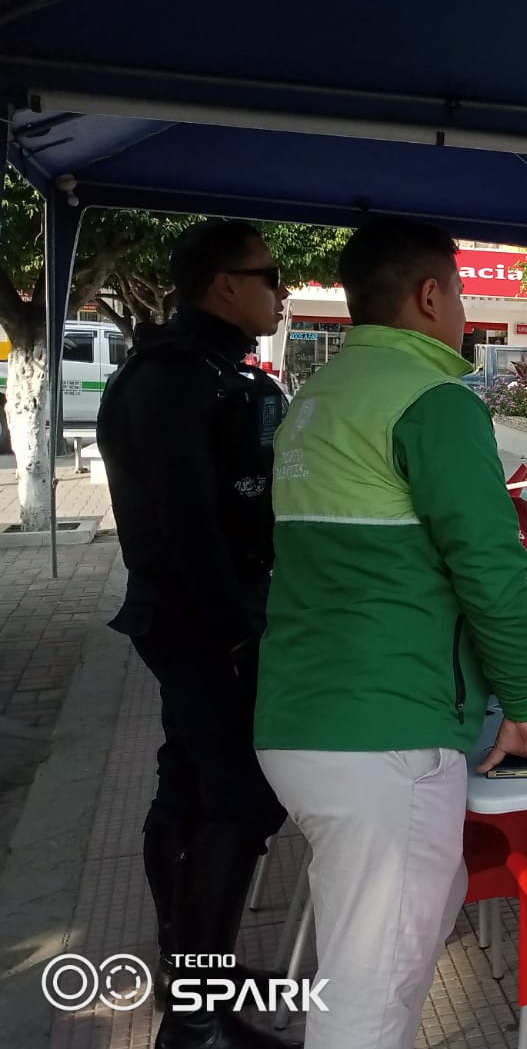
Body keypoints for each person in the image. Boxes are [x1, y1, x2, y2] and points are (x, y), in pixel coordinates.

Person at [254, 216, 527, 1049]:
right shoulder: (433, 402)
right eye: (463, 294)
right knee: (369, 1002)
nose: (467, 313)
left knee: (407, 934)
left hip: (302, 719)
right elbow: (493, 571)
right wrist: (525, 708)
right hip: (386, 737)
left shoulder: (318, 397)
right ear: (432, 295)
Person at [96, 219, 295, 1049]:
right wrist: (239, 637)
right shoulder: (176, 379)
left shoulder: (206, 370)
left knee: (189, 783)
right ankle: (196, 1019)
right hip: (199, 617)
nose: (281, 291)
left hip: (203, 612)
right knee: (241, 801)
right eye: (269, 275)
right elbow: (190, 529)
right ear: (224, 285)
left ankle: (192, 968)